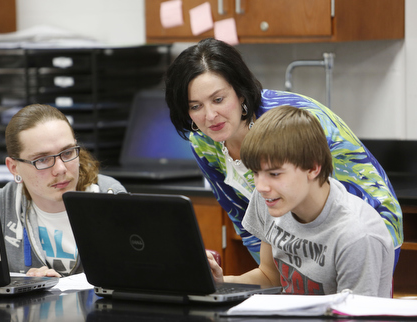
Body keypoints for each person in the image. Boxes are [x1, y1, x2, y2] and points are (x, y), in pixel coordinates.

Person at [164, 37, 402, 270]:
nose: (210, 116)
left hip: (365, 231)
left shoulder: (296, 120)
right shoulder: (203, 141)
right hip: (301, 241)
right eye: (195, 106)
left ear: (240, 93)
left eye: (218, 99)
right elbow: (244, 220)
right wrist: (272, 276)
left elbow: (347, 203)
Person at [207, 105, 394, 297]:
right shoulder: (270, 199)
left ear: (313, 168)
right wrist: (220, 281)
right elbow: (269, 277)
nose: (261, 186)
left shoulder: (356, 234)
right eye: (256, 172)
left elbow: (355, 315)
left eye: (275, 174)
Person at [0, 104, 126, 277]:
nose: (60, 169)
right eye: (42, 159)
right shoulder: (1, 207)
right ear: (14, 167)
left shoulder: (110, 197)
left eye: (67, 153)